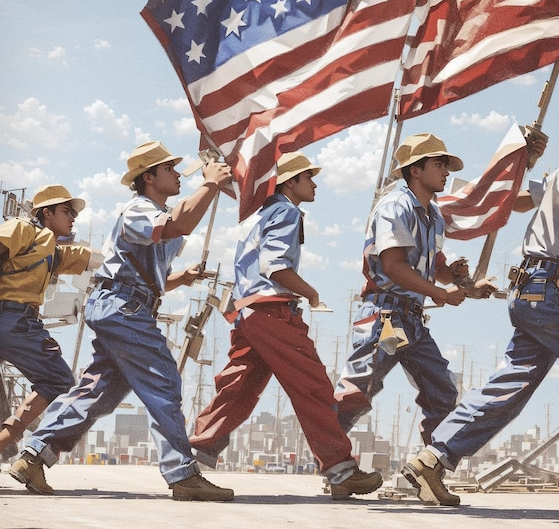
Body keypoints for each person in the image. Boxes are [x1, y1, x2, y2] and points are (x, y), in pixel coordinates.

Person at [401, 117, 559, 514]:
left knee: (512, 385)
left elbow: (517, 200)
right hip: (550, 293)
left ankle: (434, 458)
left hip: (531, 291)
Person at [9, 141, 235, 502]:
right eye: (169, 169)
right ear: (149, 177)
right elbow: (178, 224)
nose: (178, 175)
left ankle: (34, 455)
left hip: (124, 305)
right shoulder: (138, 210)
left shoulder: (153, 212)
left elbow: (144, 269)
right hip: (123, 307)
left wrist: (181, 278)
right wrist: (208, 183)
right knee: (163, 379)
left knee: (100, 392)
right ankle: (182, 474)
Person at [189, 151, 383, 500]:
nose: (315, 184)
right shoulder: (288, 212)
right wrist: (310, 293)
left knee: (238, 388)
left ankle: (192, 457)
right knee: (313, 387)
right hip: (273, 312)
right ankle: (341, 470)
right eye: (308, 177)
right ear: (290, 182)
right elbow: (275, 266)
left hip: (248, 313)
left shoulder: (260, 214)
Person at [333, 133, 496, 444]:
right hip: (386, 316)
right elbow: (394, 266)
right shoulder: (395, 206)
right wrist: (440, 294)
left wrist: (464, 282)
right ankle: (332, 461)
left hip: (410, 320)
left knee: (442, 391)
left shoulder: (433, 215)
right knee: (358, 391)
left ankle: (430, 465)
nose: (447, 172)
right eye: (439, 164)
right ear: (415, 170)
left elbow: (438, 269)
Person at [0, 185, 101, 459]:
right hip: (13, 320)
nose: (73, 218)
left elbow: (92, 258)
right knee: (57, 377)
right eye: (67, 211)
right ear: (47, 213)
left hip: (14, 320)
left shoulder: (49, 250)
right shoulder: (21, 228)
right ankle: (6, 440)